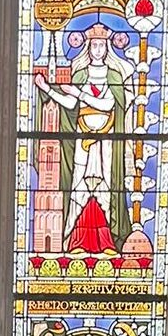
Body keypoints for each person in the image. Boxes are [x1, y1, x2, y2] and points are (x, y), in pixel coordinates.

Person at [33, 22, 133, 254]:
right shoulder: (79, 74)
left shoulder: (113, 75)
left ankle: (106, 241)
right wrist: (47, 88)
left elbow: (109, 104)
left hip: (106, 140)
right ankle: (74, 240)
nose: (97, 49)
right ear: (87, 47)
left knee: (105, 186)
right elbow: (70, 105)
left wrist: (78, 92)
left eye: (102, 45)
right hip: (82, 139)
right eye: (94, 45)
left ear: (107, 47)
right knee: (80, 185)